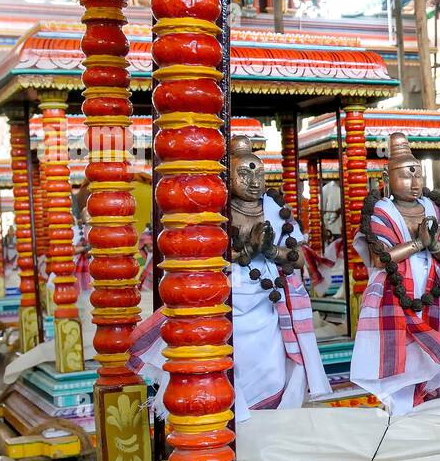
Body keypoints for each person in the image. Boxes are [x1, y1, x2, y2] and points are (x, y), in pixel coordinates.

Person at [130, 137, 330, 418]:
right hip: (226, 301)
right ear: (227, 176)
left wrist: (270, 250)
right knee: (232, 367)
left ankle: (263, 434)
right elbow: (200, 254)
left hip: (268, 306)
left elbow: (297, 258)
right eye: (244, 174)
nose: (253, 181)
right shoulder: (215, 208)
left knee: (273, 372)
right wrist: (248, 248)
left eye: (258, 173)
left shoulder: (275, 209)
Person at [350, 132, 440, 414]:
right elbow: (380, 259)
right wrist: (418, 243)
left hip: (434, 288)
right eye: (406, 175)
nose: (414, 183)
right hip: (394, 290)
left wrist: (434, 244)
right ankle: (403, 401)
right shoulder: (381, 210)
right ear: (388, 176)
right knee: (406, 352)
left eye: (418, 175)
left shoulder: (432, 208)